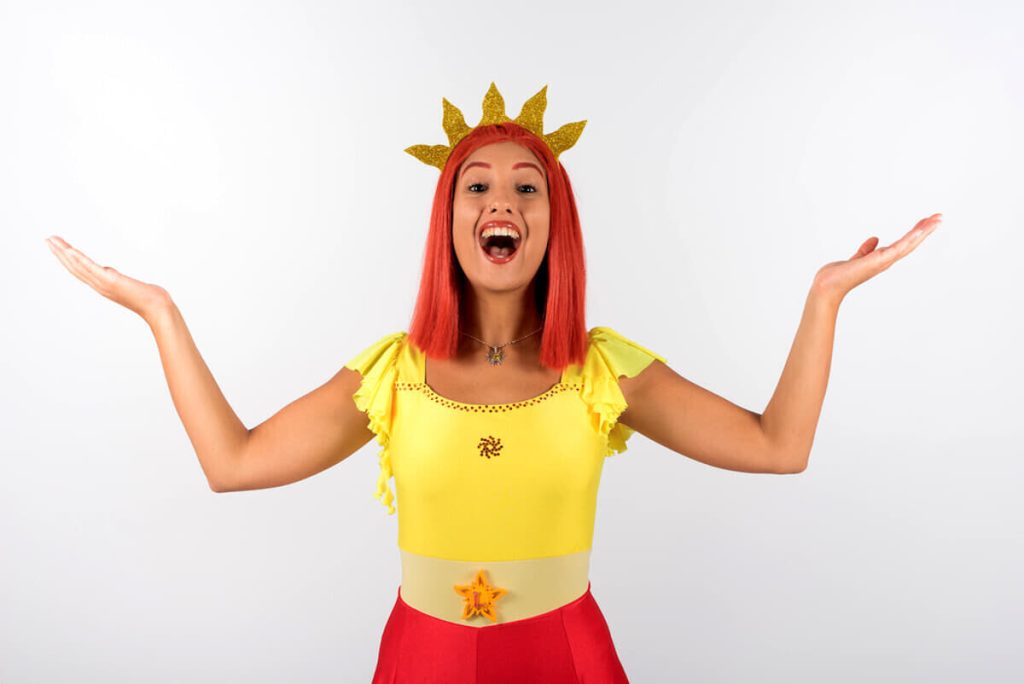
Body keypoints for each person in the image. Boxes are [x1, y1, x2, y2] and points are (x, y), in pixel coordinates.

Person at [45, 82, 942, 683]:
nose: (501, 202)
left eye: (527, 187)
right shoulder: (392, 373)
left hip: (567, 658)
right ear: (449, 222)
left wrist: (824, 299)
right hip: (422, 661)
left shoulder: (603, 370)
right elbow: (232, 462)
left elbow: (778, 446)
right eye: (475, 188)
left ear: (556, 222)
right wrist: (160, 313)